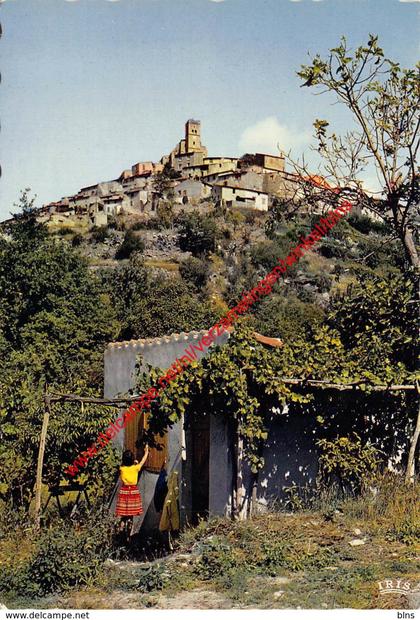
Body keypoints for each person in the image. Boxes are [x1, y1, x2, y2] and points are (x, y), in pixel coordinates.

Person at [115, 445, 149, 542]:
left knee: (123, 516)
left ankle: (120, 534)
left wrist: (132, 462)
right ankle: (128, 537)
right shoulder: (136, 468)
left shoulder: (122, 469)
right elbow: (143, 461)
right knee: (131, 516)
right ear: (132, 459)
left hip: (124, 492)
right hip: (133, 492)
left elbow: (123, 464)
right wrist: (146, 452)